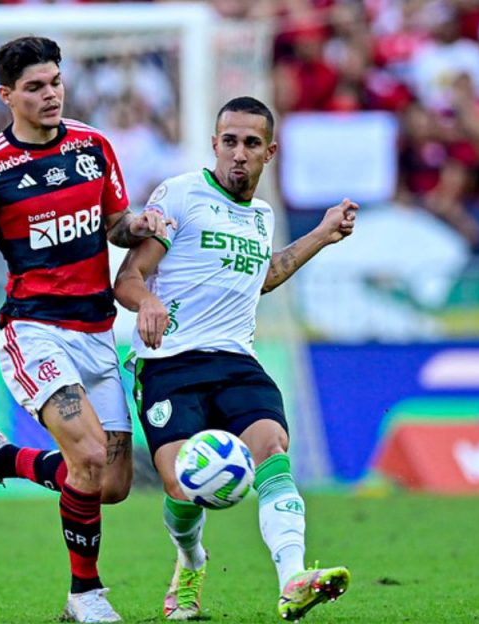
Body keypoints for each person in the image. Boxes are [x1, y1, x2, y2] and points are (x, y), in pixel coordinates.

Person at [0, 36, 170, 623]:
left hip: (97, 332)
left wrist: (140, 222)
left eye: (56, 82)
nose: (51, 94)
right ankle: (85, 596)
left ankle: (1, 459)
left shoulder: (93, 148)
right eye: (35, 87)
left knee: (109, 483)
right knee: (86, 454)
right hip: (34, 330)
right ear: (6, 95)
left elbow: (115, 226)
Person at [113, 96, 357, 622]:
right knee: (182, 483)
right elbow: (127, 279)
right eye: (230, 142)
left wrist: (320, 234)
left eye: (251, 144)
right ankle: (191, 558)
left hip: (236, 360)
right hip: (170, 362)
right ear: (215, 145)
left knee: (272, 448)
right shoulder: (181, 194)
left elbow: (261, 276)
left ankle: (292, 578)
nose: (239, 154)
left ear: (269, 152)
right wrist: (149, 302)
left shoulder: (263, 215)